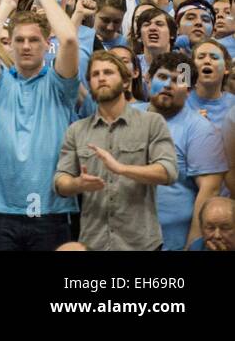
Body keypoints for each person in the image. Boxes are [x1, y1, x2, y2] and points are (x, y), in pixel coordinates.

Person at [0, 0, 83, 251]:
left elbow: (70, 40)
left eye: (34, 40)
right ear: (8, 45)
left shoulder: (60, 86)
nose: (26, 45)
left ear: (47, 44)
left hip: (51, 211)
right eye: (19, 40)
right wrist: (6, 6)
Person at [54, 50, 178, 250]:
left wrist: (121, 169)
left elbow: (168, 172)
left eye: (108, 72)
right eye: (95, 74)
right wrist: (77, 184)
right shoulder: (76, 130)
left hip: (141, 244)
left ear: (126, 82)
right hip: (93, 242)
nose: (101, 78)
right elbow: (60, 182)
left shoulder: (151, 122)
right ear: (90, 84)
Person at [142, 52, 229, 251]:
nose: (168, 85)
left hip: (173, 242)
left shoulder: (201, 129)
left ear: (189, 90)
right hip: (125, 237)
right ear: (148, 80)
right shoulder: (130, 117)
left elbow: (210, 191)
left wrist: (193, 246)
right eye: (162, 77)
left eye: (177, 81)